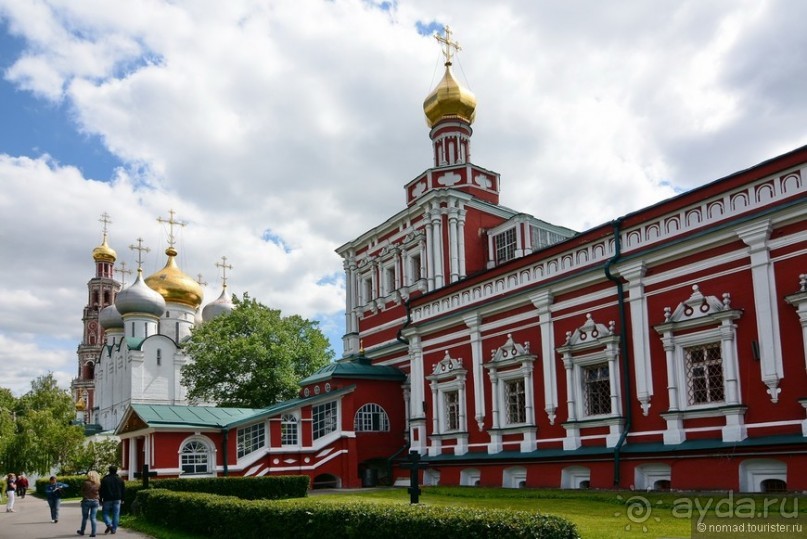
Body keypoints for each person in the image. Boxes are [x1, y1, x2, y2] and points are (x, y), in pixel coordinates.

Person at [99, 466, 125, 535]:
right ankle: (113, 529)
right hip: (117, 499)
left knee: (105, 513)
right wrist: (123, 499)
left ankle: (109, 524)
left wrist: (100, 499)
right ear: (116, 471)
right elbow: (123, 491)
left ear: (109, 470)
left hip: (107, 499)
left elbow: (101, 490)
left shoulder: (105, 479)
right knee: (116, 514)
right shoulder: (120, 479)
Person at [77, 470, 101, 537]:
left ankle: (82, 531)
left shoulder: (85, 483)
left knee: (85, 517)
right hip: (95, 501)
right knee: (93, 517)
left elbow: (82, 491)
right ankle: (93, 533)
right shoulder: (98, 483)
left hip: (86, 501)